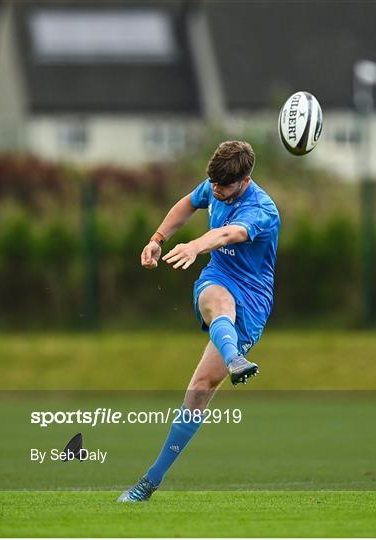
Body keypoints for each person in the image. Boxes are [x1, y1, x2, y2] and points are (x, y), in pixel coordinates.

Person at [118, 141, 280, 502]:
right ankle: (235, 357)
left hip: (253, 301)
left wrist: (194, 246)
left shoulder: (262, 211)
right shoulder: (215, 185)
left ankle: (150, 482)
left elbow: (226, 234)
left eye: (225, 188)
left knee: (199, 391)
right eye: (214, 186)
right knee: (216, 300)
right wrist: (158, 238)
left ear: (245, 180)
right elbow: (188, 203)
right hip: (218, 279)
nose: (217, 193)